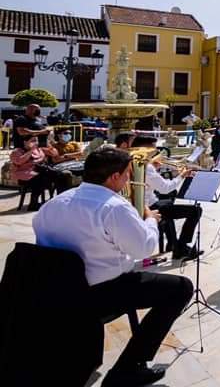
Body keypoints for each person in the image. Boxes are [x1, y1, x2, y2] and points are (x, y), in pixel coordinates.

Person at [33, 147, 193, 387]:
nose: (129, 179)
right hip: (100, 292)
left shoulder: (53, 203)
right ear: (114, 177)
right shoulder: (113, 207)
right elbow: (143, 248)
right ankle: (129, 368)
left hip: (55, 289)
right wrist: (150, 220)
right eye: (127, 174)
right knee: (181, 288)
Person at [129, 136, 202, 261]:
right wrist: (181, 176)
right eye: (153, 148)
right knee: (196, 210)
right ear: (145, 149)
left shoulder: (134, 162)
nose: (156, 151)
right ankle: (181, 246)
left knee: (168, 203)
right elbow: (165, 188)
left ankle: (173, 243)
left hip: (143, 202)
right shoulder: (147, 167)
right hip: (147, 207)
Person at [11, 135, 73, 210]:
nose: (35, 143)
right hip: (25, 176)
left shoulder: (38, 149)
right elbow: (19, 161)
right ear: (25, 142)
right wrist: (31, 151)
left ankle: (61, 199)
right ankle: (33, 203)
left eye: (36, 140)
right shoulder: (17, 151)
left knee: (63, 175)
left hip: (40, 171)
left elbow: (54, 154)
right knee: (41, 177)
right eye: (32, 141)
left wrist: (50, 146)